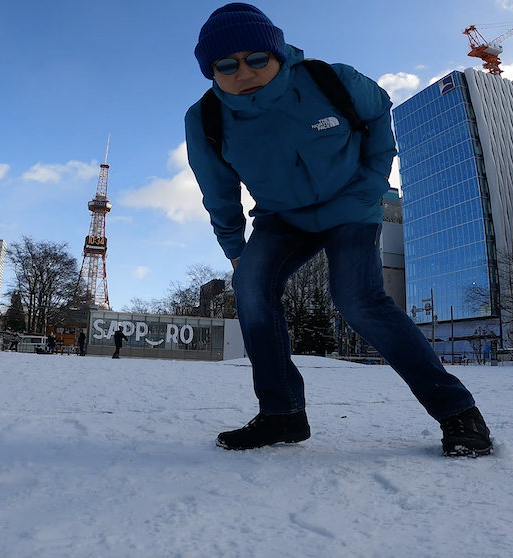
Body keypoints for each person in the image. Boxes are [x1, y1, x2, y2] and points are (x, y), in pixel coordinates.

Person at [185, 3, 492, 457]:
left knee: (359, 301)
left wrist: (371, 183)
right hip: (282, 218)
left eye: (256, 59)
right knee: (249, 284)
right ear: (210, 71)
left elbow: (378, 113)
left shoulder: (330, 79)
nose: (243, 72)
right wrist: (236, 250)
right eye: (226, 65)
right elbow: (219, 191)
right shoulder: (206, 118)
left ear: (277, 53)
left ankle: (457, 411)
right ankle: (282, 414)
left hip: (349, 205)